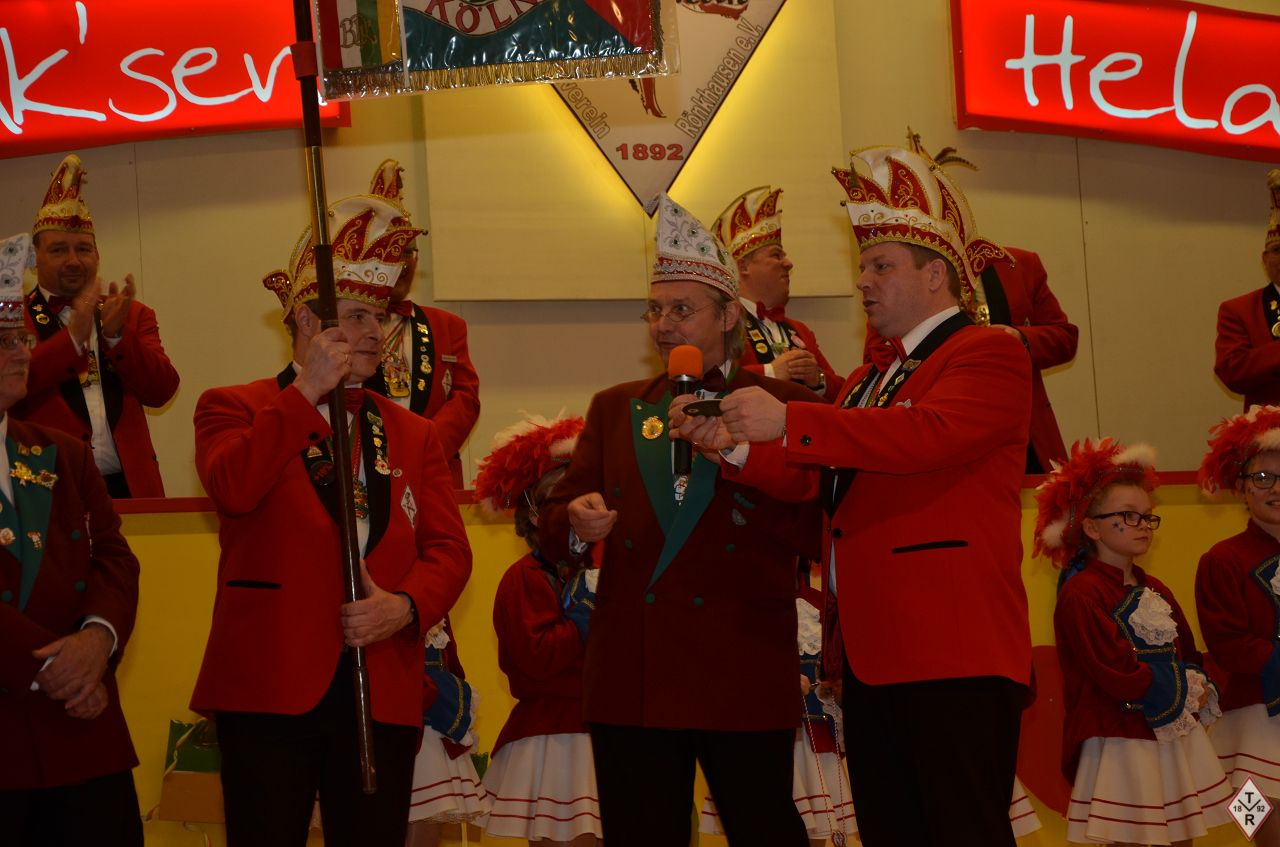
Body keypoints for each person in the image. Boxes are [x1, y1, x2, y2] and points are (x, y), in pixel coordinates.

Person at [678, 142, 1033, 847]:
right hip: (873, 651)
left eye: (880, 266)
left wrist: (791, 420)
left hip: (951, 646)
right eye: (862, 266)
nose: (862, 282)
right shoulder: (872, 380)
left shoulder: (988, 350)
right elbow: (828, 482)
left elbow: (927, 435)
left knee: (962, 829)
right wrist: (736, 448)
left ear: (935, 274)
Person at [189, 195, 472, 847]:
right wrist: (305, 394)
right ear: (307, 323)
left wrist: (404, 606)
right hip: (268, 680)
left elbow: (449, 551)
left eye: (381, 317)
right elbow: (233, 488)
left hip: (381, 684)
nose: (375, 332)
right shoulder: (234, 406)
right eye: (356, 316)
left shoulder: (414, 433)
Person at [538, 194, 820, 847]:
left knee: (766, 831)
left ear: (728, 315)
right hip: (635, 673)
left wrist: (739, 455)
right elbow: (553, 520)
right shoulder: (617, 409)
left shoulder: (781, 405)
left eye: (681, 310)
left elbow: (815, 526)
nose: (663, 325)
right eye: (655, 310)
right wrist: (575, 520)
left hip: (742, 666)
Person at [0, 232, 143, 846]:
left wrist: (98, 640)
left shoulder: (63, 452)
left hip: (84, 733)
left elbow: (114, 557)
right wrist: (53, 668)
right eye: (2, 342)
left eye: (21, 340)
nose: (20, 353)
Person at [1035, 438, 1232, 845]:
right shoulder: (1081, 594)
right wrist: (1182, 689)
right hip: (1121, 739)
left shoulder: (1155, 588)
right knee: (1135, 837)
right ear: (1091, 527)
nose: (1143, 525)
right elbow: (1115, 671)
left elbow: (1186, 651)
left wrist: (1198, 682)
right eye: (1128, 516)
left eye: (1147, 516)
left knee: (1182, 832)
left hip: (1169, 733)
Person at [472, 413, 602, 846]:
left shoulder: (607, 568)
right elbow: (539, 659)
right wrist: (584, 618)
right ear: (533, 512)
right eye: (556, 500)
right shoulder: (524, 578)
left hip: (611, 730)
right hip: (556, 739)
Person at [16, 154, 179, 498]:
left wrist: (117, 337)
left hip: (130, 489)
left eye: (83, 249)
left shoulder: (132, 314)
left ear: (97, 255)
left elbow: (162, 390)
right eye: (58, 250)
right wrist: (73, 339)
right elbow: (13, 388)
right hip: (48, 493)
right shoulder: (12, 319)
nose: (74, 260)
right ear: (34, 259)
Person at [364, 160, 480, 488]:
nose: (402, 265)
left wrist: (426, 448)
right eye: (390, 255)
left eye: (408, 254)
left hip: (436, 472)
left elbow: (465, 399)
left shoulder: (447, 325)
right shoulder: (344, 327)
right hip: (368, 472)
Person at [1196, 405, 1280, 847]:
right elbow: (1227, 644)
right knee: (1261, 832)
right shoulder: (1221, 559)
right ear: (1242, 487)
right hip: (1245, 731)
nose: (1276, 488)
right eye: (1262, 478)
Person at [713, 186, 841, 402]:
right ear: (743, 266)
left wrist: (817, 379)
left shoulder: (800, 330)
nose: (789, 263)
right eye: (776, 255)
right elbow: (709, 383)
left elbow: (845, 396)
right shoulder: (721, 324)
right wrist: (771, 372)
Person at [1214, 168, 1280, 410]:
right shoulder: (1239, 310)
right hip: (1272, 428)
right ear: (1264, 259)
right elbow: (1231, 371)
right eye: (1277, 251)